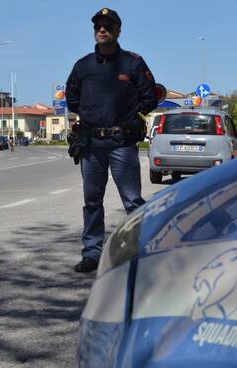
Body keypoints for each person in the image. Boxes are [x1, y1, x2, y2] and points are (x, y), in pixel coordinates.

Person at [66, 8, 158, 273]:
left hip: (121, 144)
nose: (102, 29)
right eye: (98, 26)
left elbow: (150, 96)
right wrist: (88, 115)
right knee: (92, 202)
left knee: (132, 201)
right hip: (92, 146)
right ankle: (92, 254)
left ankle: (144, 252)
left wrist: (134, 117)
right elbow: (72, 98)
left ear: (118, 31)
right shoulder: (83, 66)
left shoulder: (133, 63)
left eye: (108, 26)